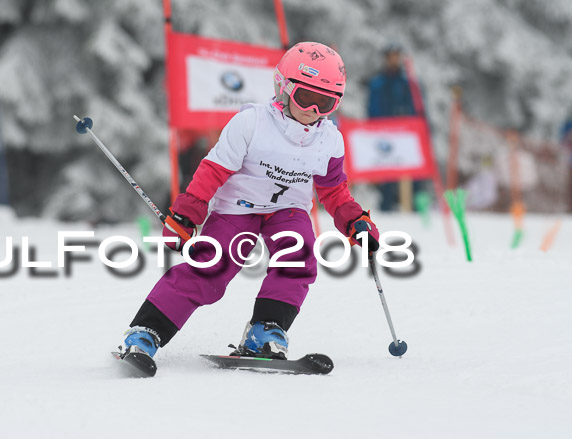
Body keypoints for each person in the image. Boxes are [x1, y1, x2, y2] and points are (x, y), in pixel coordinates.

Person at [121, 42, 380, 361]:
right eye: (306, 98)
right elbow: (213, 170)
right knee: (211, 268)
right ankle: (146, 332)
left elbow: (334, 191)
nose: (313, 111)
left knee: (298, 255)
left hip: (288, 211)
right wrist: (188, 213)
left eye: (325, 103)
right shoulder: (251, 123)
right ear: (283, 87)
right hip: (236, 209)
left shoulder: (329, 139)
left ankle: (266, 332)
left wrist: (355, 221)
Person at [367, 42, 424, 211]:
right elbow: (372, 108)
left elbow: (417, 107)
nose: (393, 60)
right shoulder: (378, 82)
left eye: (396, 56)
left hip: (405, 135)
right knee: (387, 175)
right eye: (390, 56)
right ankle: (386, 209)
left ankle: (413, 210)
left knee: (410, 177)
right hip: (384, 134)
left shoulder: (408, 83)